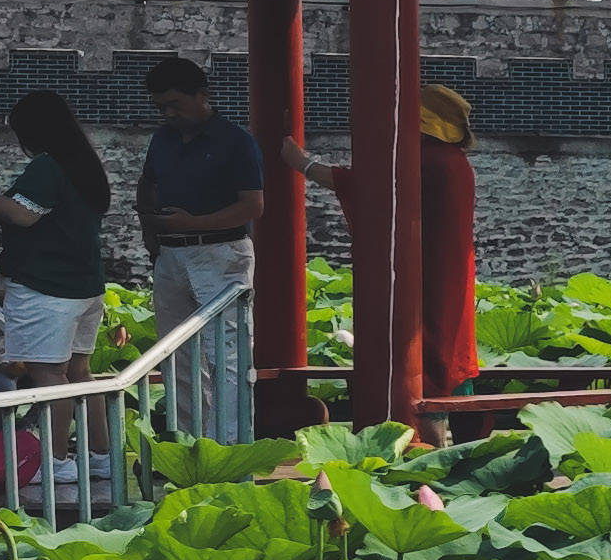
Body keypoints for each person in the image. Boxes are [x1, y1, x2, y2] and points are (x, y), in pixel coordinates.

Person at [283, 83, 481, 402]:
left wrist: (301, 162)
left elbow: (362, 185)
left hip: (425, 271)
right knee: (449, 343)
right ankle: (459, 435)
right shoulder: (454, 160)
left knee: (427, 352)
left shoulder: (427, 159)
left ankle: (428, 438)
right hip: (448, 269)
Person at [135, 54, 263, 438]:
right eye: (161, 107)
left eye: (175, 103)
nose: (169, 113)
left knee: (226, 355)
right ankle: (187, 440)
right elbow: (147, 184)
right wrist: (149, 230)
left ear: (202, 95)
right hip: (170, 253)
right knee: (175, 355)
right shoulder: (162, 139)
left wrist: (193, 223)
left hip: (221, 253)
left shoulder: (236, 141)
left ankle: (228, 447)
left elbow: (252, 205)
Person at [0, 89, 113, 388]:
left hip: (47, 288)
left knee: (49, 375)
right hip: (86, 284)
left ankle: (54, 439)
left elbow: (22, 215)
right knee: (80, 374)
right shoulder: (84, 165)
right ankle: (99, 437)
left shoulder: (48, 165)